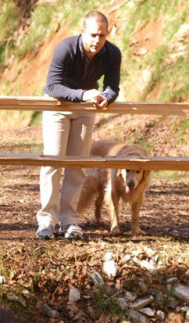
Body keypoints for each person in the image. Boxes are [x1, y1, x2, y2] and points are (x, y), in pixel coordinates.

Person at [36, 10, 121, 240]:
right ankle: (46, 221)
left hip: (85, 110)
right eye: (92, 34)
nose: (97, 41)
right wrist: (83, 94)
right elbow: (52, 86)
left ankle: (69, 221)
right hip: (57, 106)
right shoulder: (66, 48)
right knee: (53, 162)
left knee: (77, 164)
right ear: (82, 32)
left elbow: (113, 86)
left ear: (107, 34)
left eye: (102, 35)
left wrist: (106, 97)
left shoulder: (112, 53)